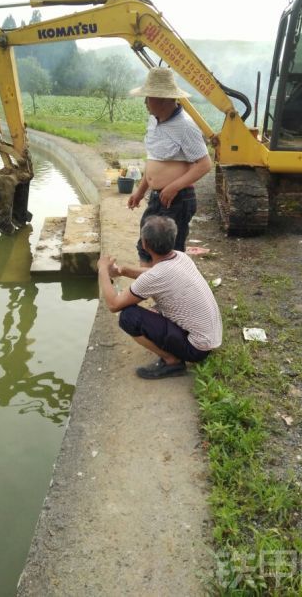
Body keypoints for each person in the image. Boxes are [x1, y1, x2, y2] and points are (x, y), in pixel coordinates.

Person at [97, 216, 222, 380]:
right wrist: (122, 271)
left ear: (145, 244)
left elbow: (114, 304)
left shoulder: (156, 275)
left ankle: (172, 361)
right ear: (173, 239)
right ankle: (174, 351)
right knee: (153, 310)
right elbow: (153, 274)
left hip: (197, 349)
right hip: (209, 338)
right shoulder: (180, 257)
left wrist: (102, 270)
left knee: (128, 317)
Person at [127, 67, 212, 264]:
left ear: (163, 99)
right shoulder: (153, 121)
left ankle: (169, 293)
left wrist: (174, 187)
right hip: (157, 198)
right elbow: (153, 158)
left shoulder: (185, 126)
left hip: (177, 199)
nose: (145, 102)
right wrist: (140, 191)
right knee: (146, 246)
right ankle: (151, 291)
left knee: (169, 254)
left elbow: (204, 164)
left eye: (148, 97)